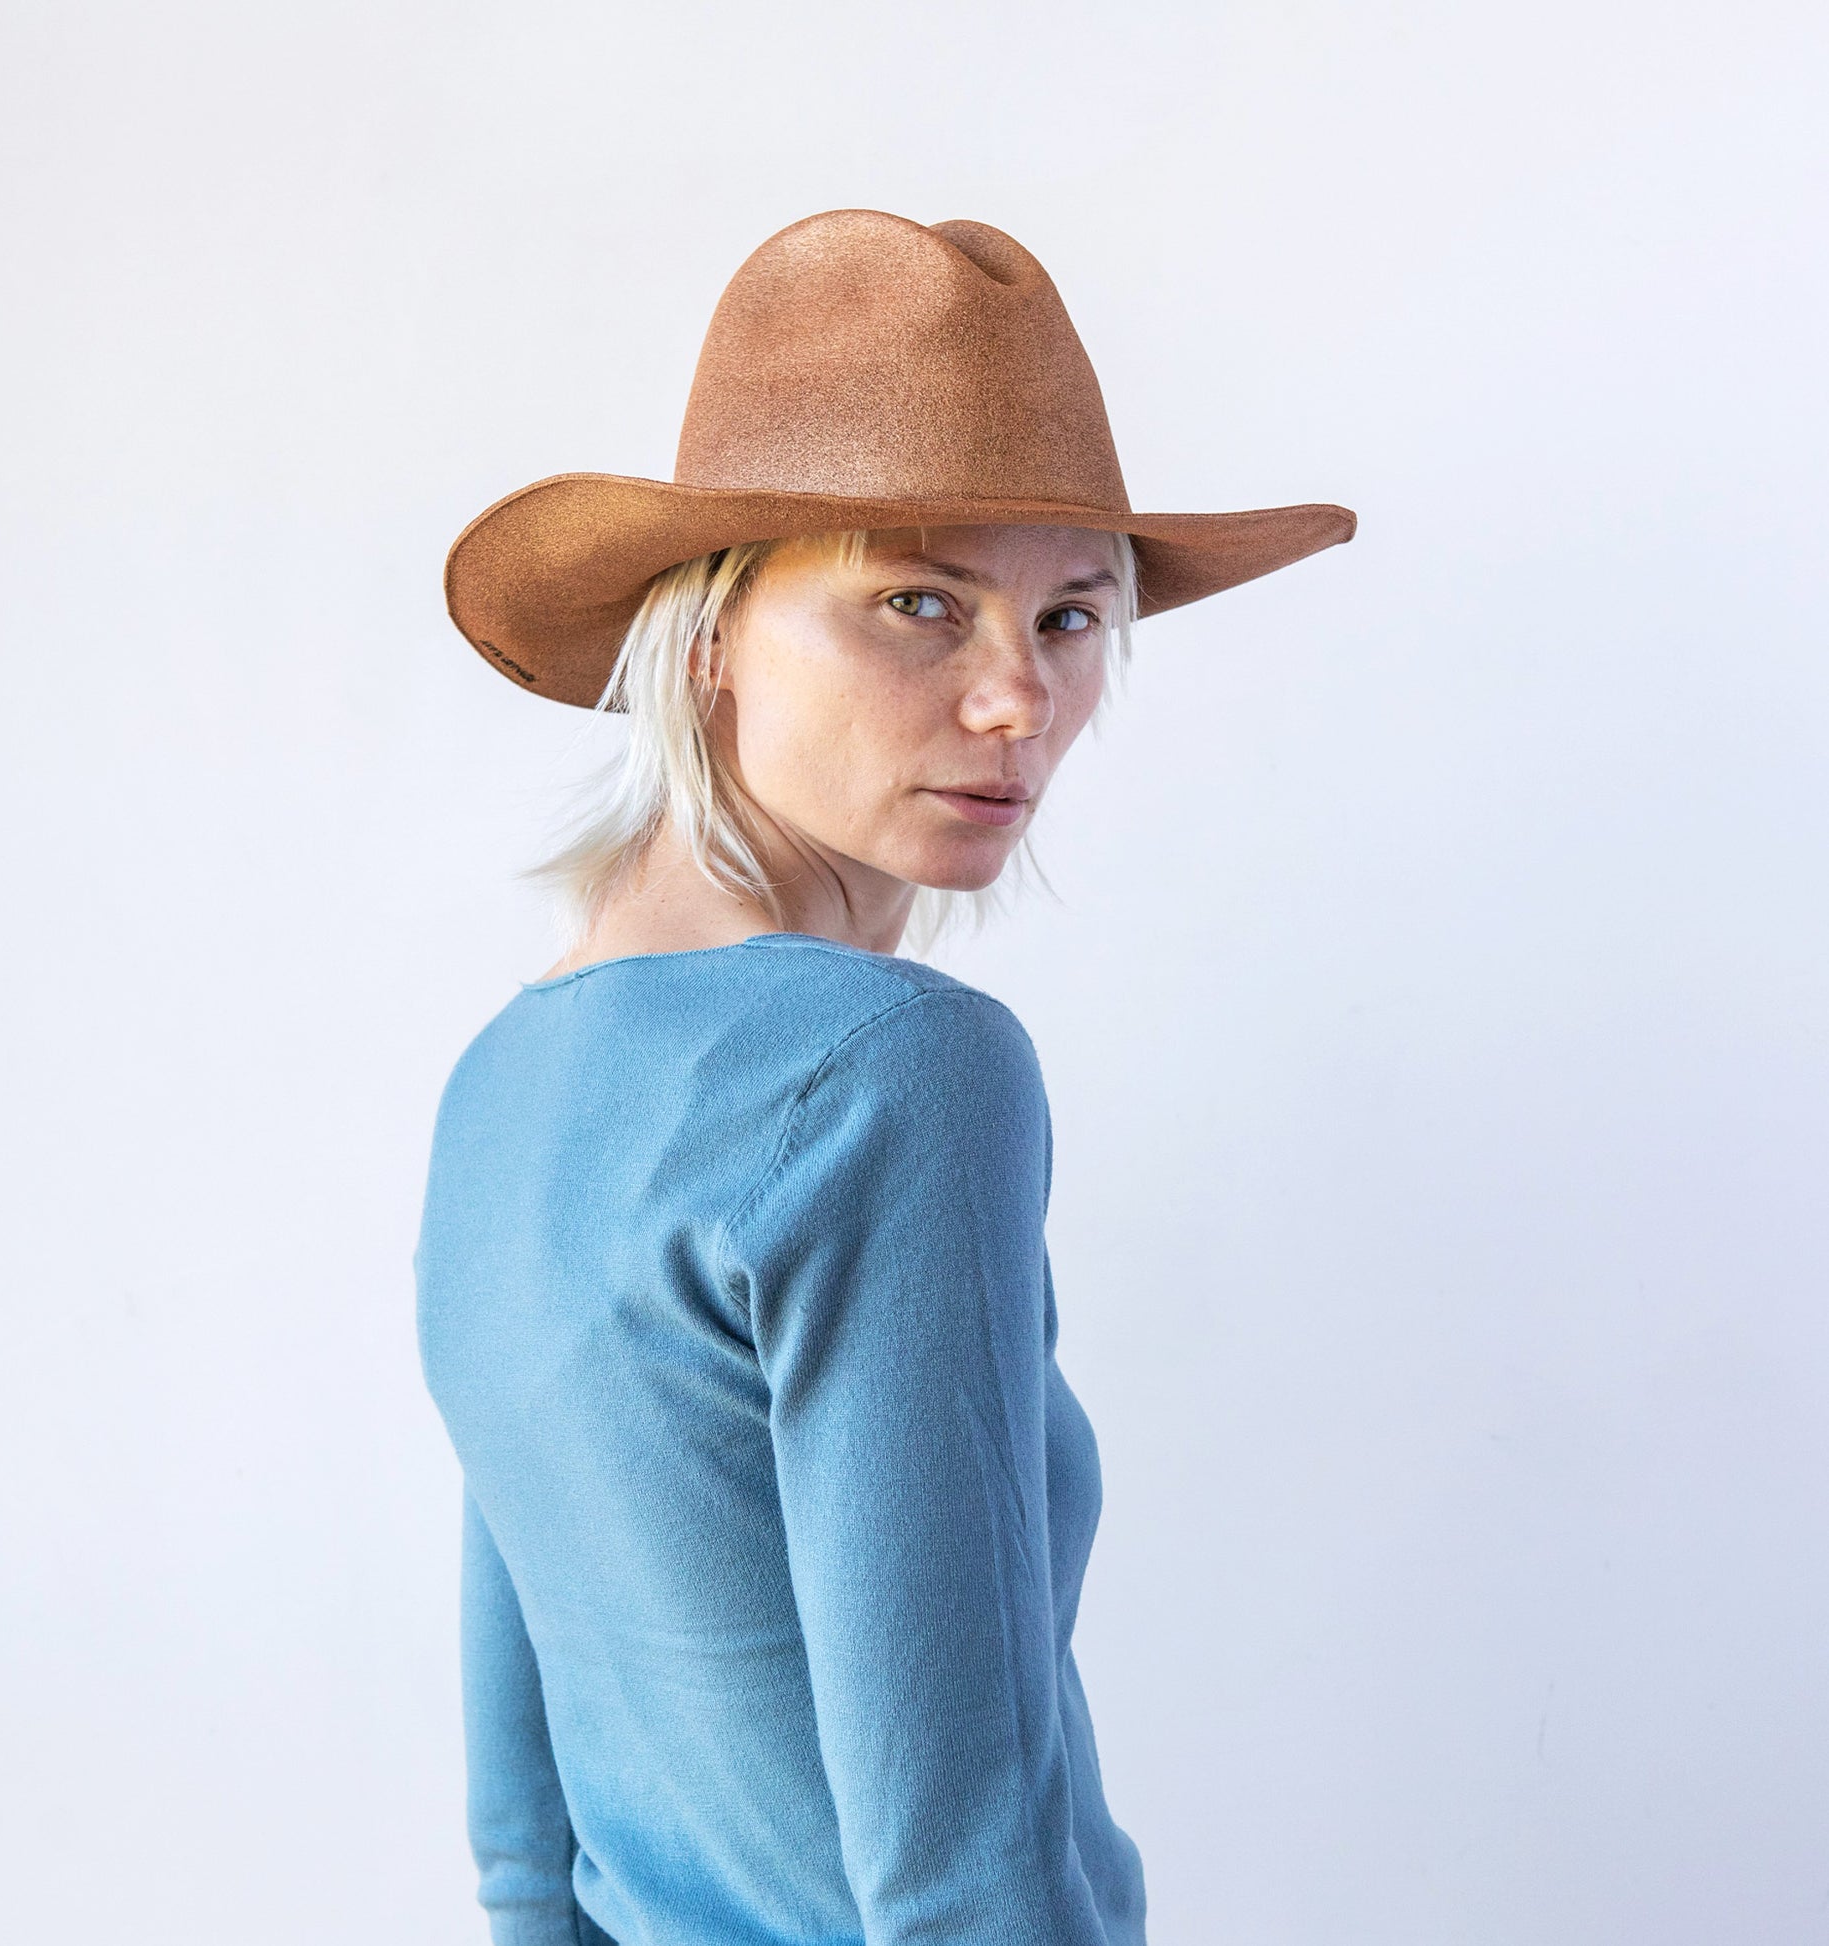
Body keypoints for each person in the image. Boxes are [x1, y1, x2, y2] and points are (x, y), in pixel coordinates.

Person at [415, 208, 1352, 1946]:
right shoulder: (899, 1068)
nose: (1017, 699)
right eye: (919, 603)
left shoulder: (504, 1078)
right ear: (708, 632)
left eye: (1069, 616)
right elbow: (959, 1852)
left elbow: (525, 1833)